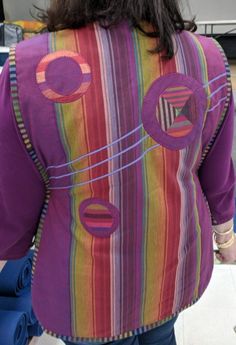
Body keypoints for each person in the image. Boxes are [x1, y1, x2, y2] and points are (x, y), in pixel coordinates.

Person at [0, 1, 235, 345]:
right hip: (172, 258)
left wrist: (12, 245)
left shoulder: (28, 69)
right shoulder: (206, 58)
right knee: (161, 335)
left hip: (86, 282)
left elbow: (14, 195)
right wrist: (226, 236)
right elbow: (216, 172)